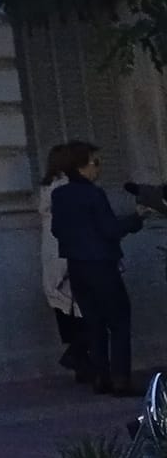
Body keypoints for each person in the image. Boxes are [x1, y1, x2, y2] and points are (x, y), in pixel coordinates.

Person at [50, 141, 146, 397]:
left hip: (77, 266)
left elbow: (57, 230)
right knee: (119, 321)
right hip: (101, 265)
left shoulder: (59, 195)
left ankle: (101, 377)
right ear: (81, 167)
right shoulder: (94, 194)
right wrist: (136, 219)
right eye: (95, 162)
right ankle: (120, 379)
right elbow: (110, 229)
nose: (98, 168)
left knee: (94, 323)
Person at [38, 142, 90, 383]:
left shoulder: (47, 188)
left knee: (70, 318)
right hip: (70, 257)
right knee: (88, 316)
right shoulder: (68, 189)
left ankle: (82, 364)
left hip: (54, 259)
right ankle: (78, 358)